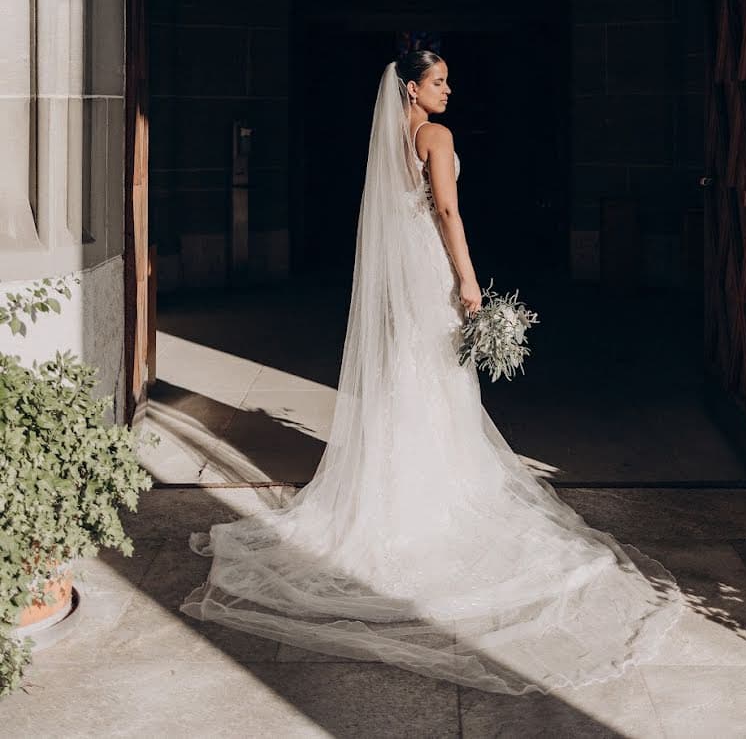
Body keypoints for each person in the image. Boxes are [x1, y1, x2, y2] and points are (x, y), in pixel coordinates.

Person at [180, 52, 685, 695]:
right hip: (430, 271)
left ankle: (396, 481)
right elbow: (448, 213)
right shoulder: (435, 136)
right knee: (438, 377)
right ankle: (436, 489)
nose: (450, 89)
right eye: (440, 80)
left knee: (404, 376)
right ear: (412, 89)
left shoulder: (389, 139)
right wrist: (469, 282)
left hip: (400, 276)